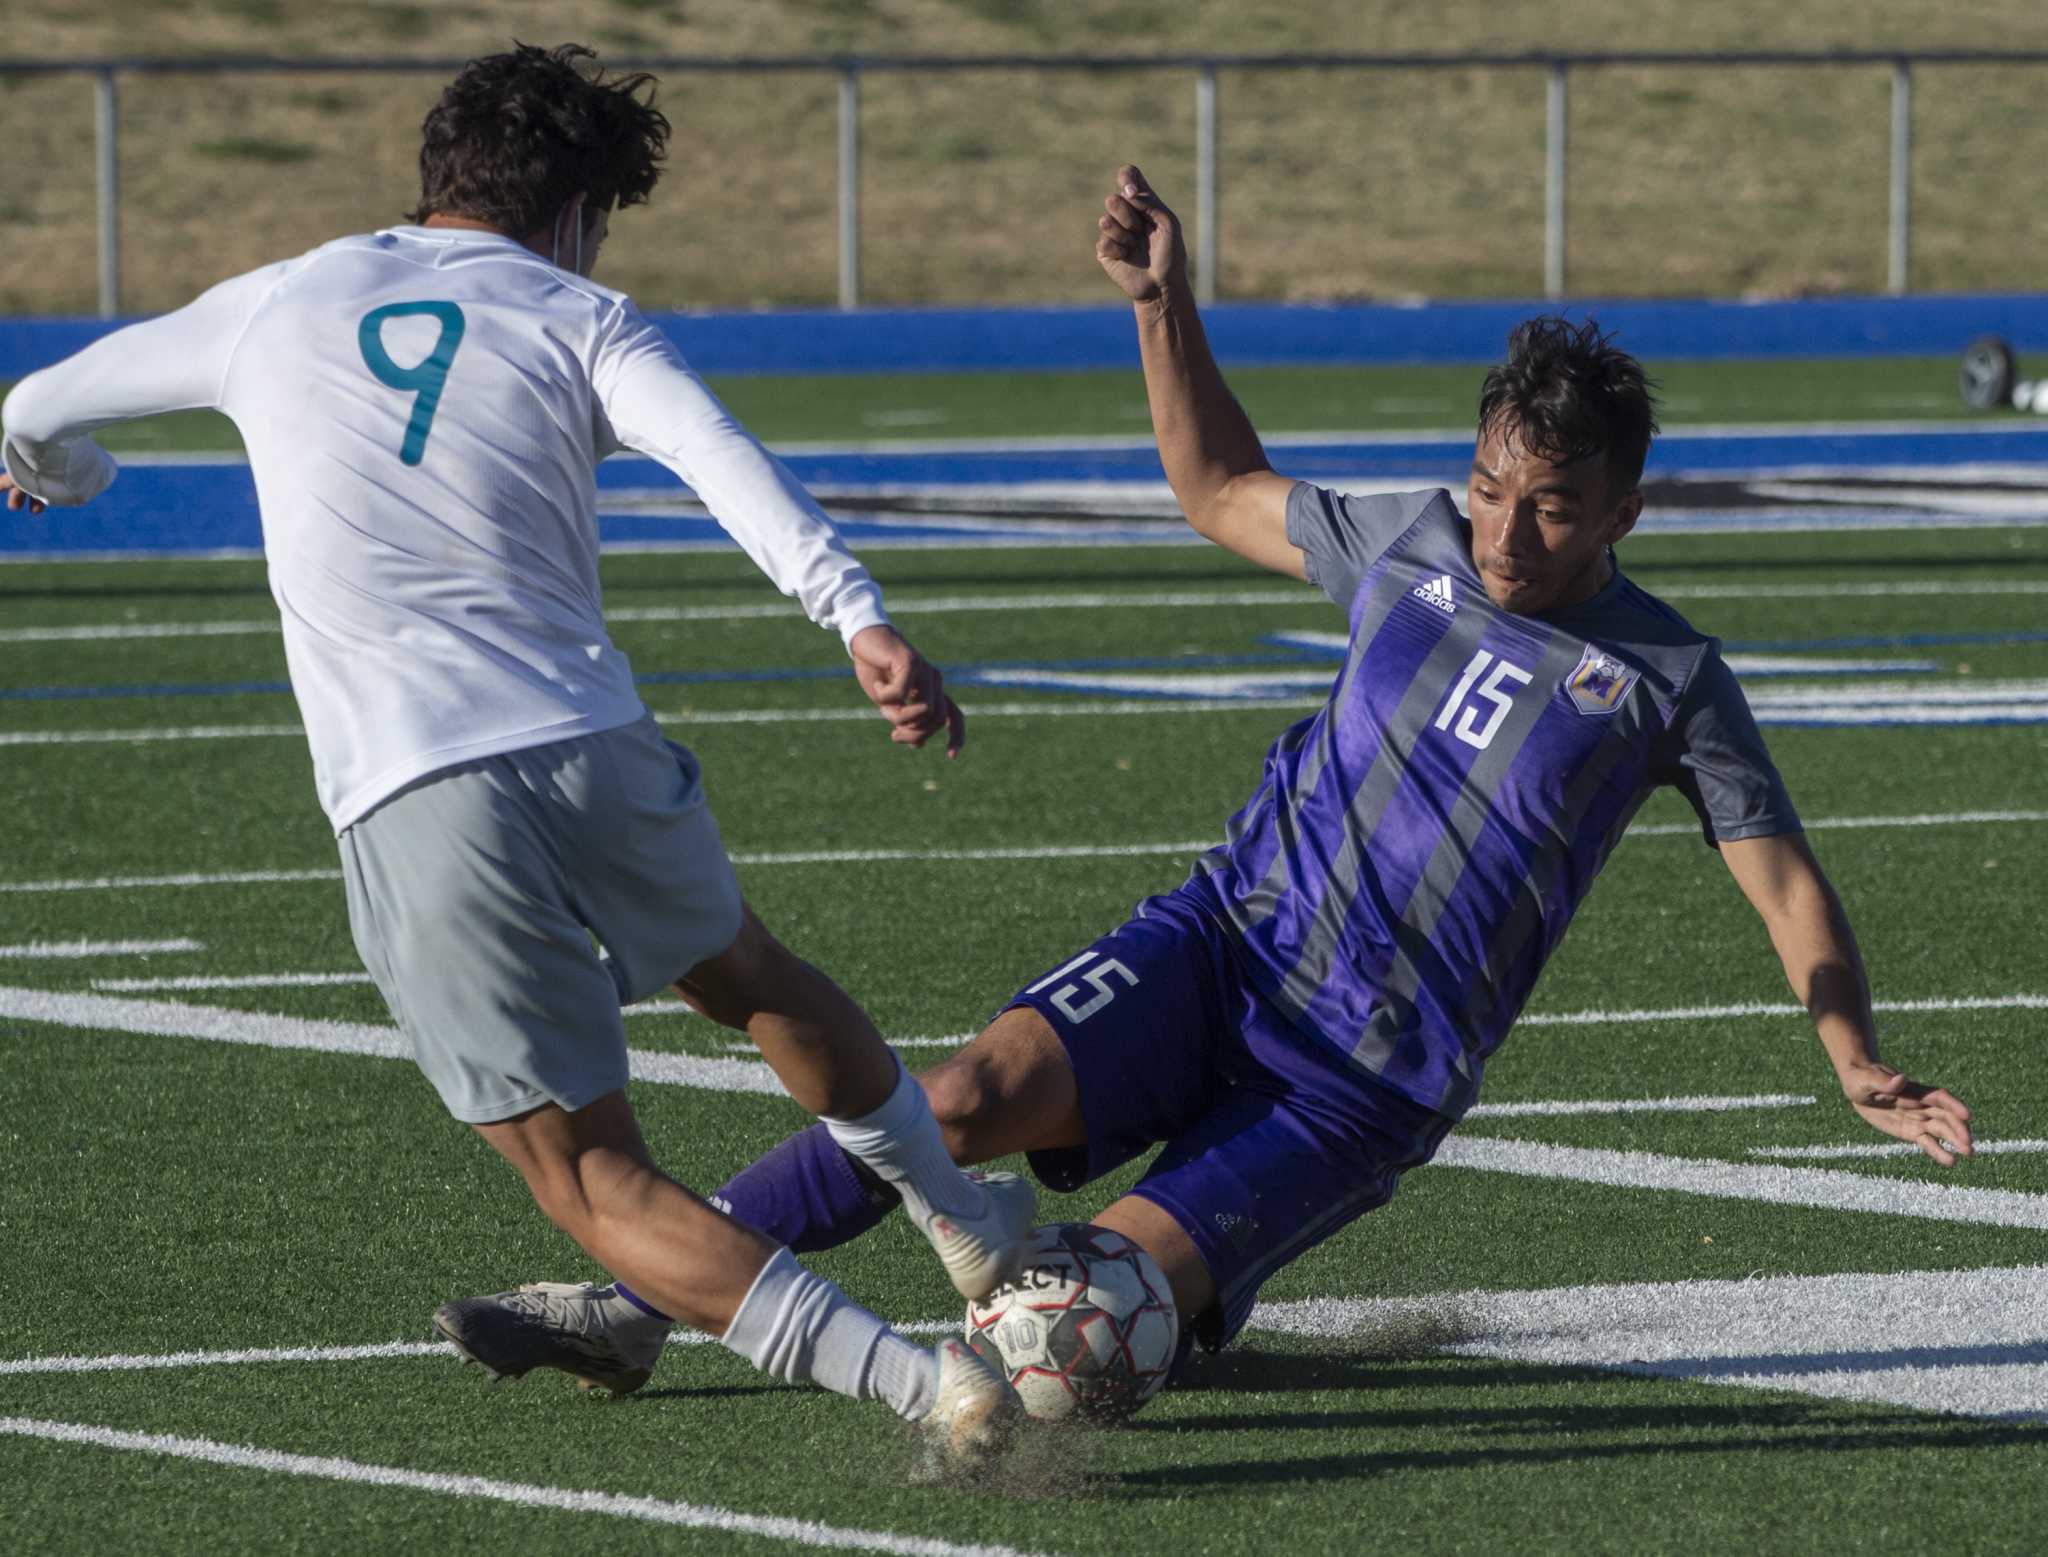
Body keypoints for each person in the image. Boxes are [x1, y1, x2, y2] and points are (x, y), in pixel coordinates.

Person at [434, 164, 1977, 1389]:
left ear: (1628, 505)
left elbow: (1782, 879)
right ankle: (636, 1303)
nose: (1507, 531)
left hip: (1360, 1078)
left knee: (1065, 1317)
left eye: (1555, 508)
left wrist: (1850, 1049)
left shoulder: (1668, 680)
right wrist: (1163, 306)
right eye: (1496, 487)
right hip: (1224, 943)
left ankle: (1172, 1297)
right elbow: (1218, 486)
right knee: (958, 1095)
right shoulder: (1412, 540)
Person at [0, 43, 1037, 1470]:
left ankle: (934, 1389)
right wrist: (857, 614)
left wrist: (74, 479)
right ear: (575, 212)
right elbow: (723, 458)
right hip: (591, 742)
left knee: (597, 1176)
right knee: (754, 976)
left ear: (439, 179)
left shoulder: (282, 295)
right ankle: (971, 1228)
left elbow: (32, 409)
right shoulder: (584, 312)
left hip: (418, 789)